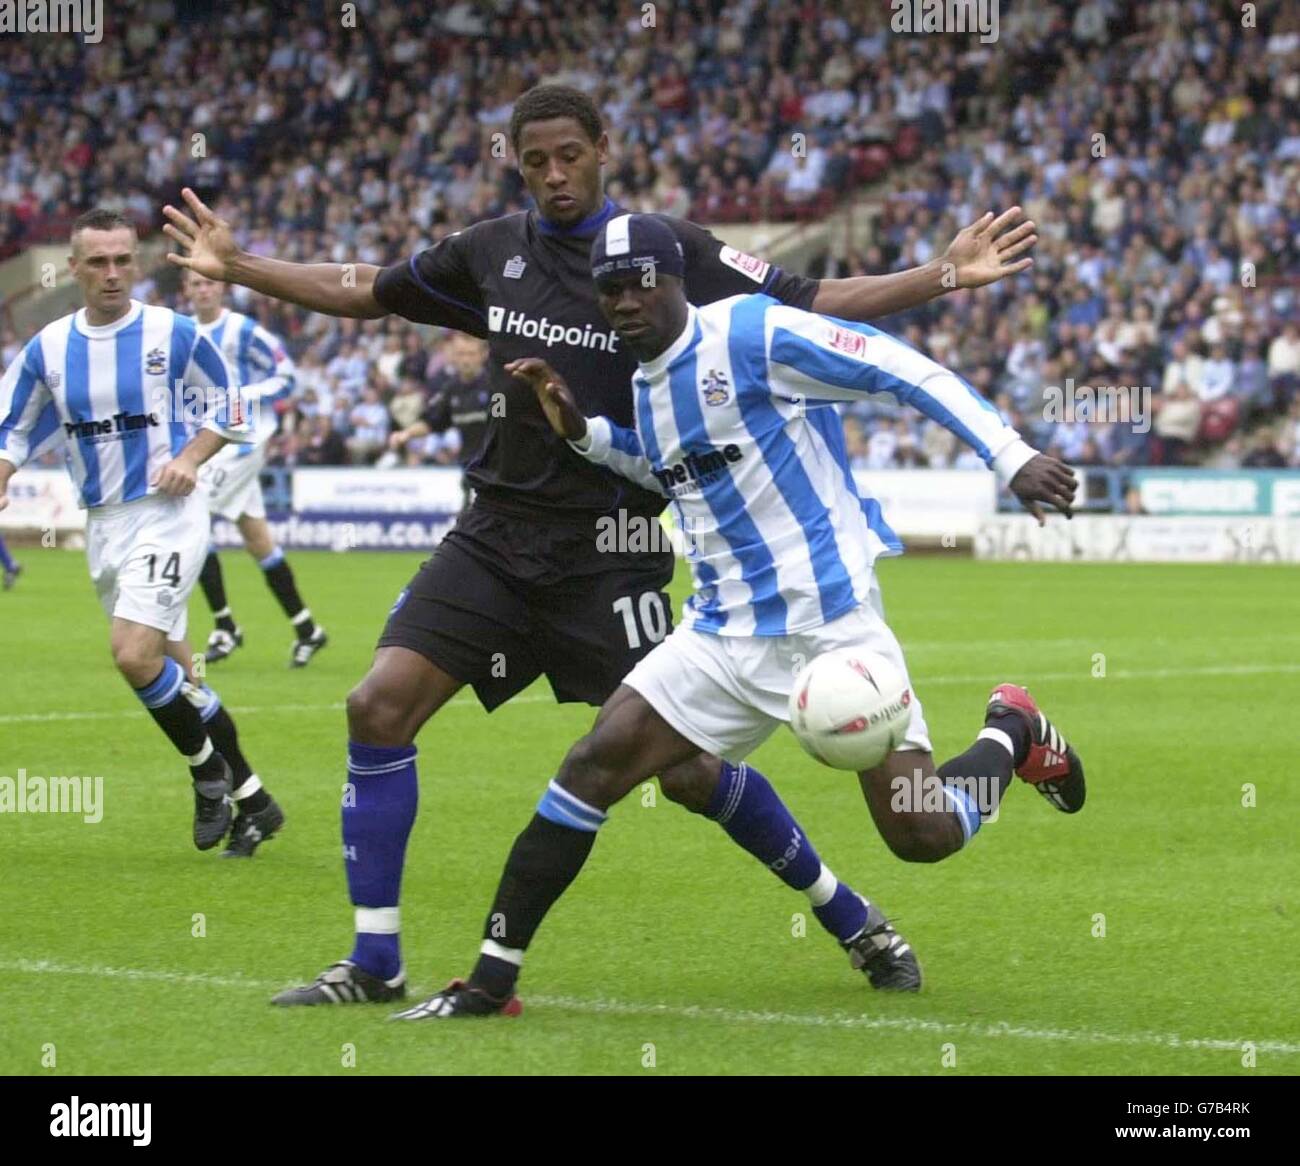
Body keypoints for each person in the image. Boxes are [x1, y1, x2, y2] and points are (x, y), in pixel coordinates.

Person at [163, 84, 1040, 1006]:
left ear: (603, 149)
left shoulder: (671, 255)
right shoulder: (491, 253)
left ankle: (848, 914)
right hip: (494, 538)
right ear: (514, 158)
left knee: (693, 774)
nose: (551, 175)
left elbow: (815, 299)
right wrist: (241, 265)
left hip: (612, 550)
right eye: (533, 159)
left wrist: (942, 276)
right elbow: (368, 291)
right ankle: (375, 963)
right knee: (377, 707)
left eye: (568, 156)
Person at [391, 214, 1083, 1019]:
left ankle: (1013, 733)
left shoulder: (754, 334)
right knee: (592, 765)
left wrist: (1011, 455)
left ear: (677, 279)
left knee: (920, 832)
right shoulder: (647, 384)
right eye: (609, 288)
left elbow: (900, 370)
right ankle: (489, 984)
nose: (624, 301)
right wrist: (583, 434)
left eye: (640, 282)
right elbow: (659, 465)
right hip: (720, 635)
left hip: (833, 629)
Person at [0, 209, 284, 856]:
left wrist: (190, 458)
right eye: (97, 262)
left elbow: (233, 403)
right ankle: (256, 801)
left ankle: (206, 770)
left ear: (137, 262)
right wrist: (5, 470)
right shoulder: (48, 348)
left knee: (132, 655)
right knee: (183, 677)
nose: (111, 273)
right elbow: (11, 423)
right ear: (71, 269)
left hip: (168, 513)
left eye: (123, 260)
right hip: (104, 526)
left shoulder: (172, 331)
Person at [183, 270, 329, 668]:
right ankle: (307, 629)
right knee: (258, 540)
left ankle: (225, 626)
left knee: (190, 515)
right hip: (211, 443)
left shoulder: (243, 331)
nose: (203, 289)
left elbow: (286, 376)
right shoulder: (183, 332)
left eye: (208, 282)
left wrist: (246, 394)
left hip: (243, 442)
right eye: (195, 284)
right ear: (187, 291)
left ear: (221, 287)